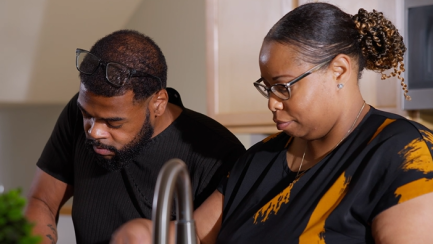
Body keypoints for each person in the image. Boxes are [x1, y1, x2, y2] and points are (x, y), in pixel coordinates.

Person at [111, 3, 433, 243]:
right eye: (267, 87)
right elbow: (194, 234)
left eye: (284, 86)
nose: (272, 102)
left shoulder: (403, 151)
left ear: (339, 70)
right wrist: (141, 233)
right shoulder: (259, 159)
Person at [24, 30, 246, 244]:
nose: (94, 132)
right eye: (87, 115)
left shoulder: (216, 153)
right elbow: (42, 201)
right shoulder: (84, 111)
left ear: (158, 103)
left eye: (114, 122)